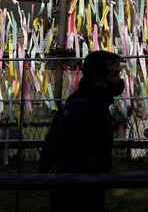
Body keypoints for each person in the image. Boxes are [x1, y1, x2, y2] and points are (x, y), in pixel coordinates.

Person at [39, 50, 125, 212]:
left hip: (92, 186)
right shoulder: (82, 108)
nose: (118, 80)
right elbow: (74, 159)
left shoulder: (97, 103)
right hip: (75, 192)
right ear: (98, 79)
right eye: (114, 75)